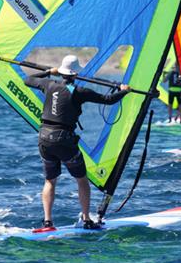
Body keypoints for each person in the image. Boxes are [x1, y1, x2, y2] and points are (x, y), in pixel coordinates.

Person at [25, 55, 130, 230]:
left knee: (50, 181)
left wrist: (49, 71)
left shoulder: (49, 84)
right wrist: (124, 90)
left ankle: (47, 222)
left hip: (44, 138)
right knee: (81, 180)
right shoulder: (80, 92)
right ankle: (87, 220)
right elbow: (108, 100)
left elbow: (28, 79)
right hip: (64, 139)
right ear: (75, 74)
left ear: (61, 72)